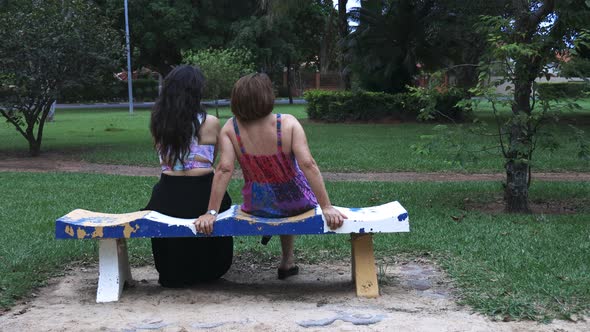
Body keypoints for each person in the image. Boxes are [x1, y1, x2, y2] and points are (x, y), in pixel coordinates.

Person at [194, 73, 346, 280]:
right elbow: (308, 164)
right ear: (267, 96)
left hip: (258, 204)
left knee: (276, 199)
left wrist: (211, 212)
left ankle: (286, 257)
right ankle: (287, 261)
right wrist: (326, 206)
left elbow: (224, 169)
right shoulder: (288, 123)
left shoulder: (231, 128)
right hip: (296, 201)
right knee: (288, 194)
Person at [144, 65, 233, 288]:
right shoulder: (210, 122)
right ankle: (205, 264)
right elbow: (219, 161)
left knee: (163, 207)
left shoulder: (157, 121)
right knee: (224, 204)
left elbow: (165, 160)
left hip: (168, 193)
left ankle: (177, 266)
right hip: (204, 192)